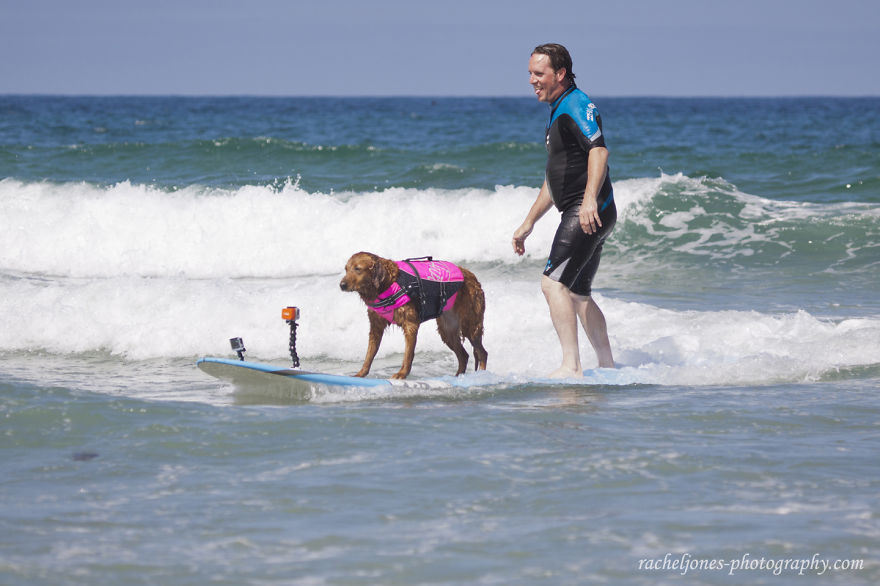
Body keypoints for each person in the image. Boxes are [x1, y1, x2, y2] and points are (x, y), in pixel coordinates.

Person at [512, 43, 616, 376]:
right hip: (588, 208)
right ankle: (608, 366)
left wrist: (587, 200)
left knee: (552, 284)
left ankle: (570, 366)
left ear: (560, 74)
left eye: (539, 74)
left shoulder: (576, 104)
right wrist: (529, 221)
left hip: (587, 210)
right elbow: (555, 177)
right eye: (530, 73)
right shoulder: (559, 108)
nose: (532, 80)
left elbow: (598, 152)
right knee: (577, 293)